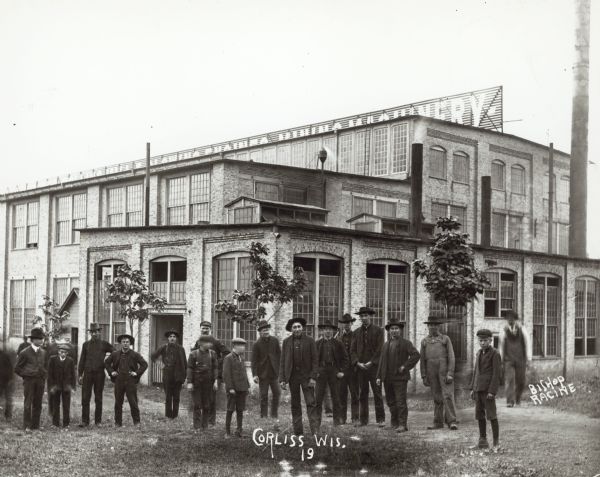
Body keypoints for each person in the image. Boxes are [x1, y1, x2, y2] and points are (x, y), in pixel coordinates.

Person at [376, 318, 420, 433]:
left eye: (396, 328)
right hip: (387, 378)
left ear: (400, 330)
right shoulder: (386, 345)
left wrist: (404, 366)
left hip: (400, 378)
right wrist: (379, 377)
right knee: (391, 401)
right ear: (389, 331)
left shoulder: (406, 343)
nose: (394, 331)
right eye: (392, 329)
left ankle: (402, 425)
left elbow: (416, 355)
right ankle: (394, 423)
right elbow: (381, 362)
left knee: (400, 401)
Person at [279, 317, 319, 436]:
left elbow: (315, 360)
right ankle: (298, 432)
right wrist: (282, 379)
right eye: (294, 327)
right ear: (291, 329)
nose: (297, 329)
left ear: (302, 328)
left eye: (299, 327)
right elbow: (282, 361)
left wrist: (313, 377)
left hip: (307, 377)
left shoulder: (310, 341)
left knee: (311, 402)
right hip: (293, 377)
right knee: (295, 404)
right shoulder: (286, 342)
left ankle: (315, 430)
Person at [420, 315, 458, 430]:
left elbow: (451, 357)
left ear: (439, 327)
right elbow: (422, 360)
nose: (433, 327)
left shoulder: (445, 339)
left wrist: (450, 373)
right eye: (431, 325)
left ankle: (452, 421)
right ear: (428, 326)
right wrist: (424, 375)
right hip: (431, 373)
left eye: (435, 325)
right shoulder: (424, 341)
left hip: (444, 372)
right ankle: (438, 422)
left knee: (447, 396)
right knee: (437, 397)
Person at [350, 306, 385, 427]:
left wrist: (372, 362)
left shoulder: (378, 331)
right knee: (363, 394)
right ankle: (363, 420)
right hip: (361, 368)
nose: (364, 318)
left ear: (370, 316)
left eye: (366, 315)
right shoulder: (356, 333)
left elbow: (380, 349)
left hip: (374, 368)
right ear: (360, 318)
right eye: (362, 316)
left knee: (377, 393)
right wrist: (357, 363)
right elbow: (352, 350)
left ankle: (380, 419)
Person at [191, 321, 230, 426]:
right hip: (200, 375)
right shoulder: (198, 341)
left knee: (211, 398)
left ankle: (211, 421)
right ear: (200, 329)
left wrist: (218, 361)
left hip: (213, 373)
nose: (205, 330)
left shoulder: (215, 341)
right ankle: (201, 421)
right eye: (203, 328)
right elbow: (194, 353)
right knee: (200, 399)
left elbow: (227, 352)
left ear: (210, 329)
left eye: (207, 328)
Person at [105, 334, 148, 427]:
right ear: (120, 343)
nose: (125, 344)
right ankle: (118, 423)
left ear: (130, 343)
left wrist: (136, 373)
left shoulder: (135, 354)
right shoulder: (115, 354)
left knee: (133, 402)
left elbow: (144, 364)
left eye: (127, 342)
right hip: (119, 380)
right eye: (123, 342)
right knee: (118, 402)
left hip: (130, 381)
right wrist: (111, 372)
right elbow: (107, 363)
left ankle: (137, 422)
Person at [470, 328, 502, 450]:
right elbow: (476, 372)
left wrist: (492, 391)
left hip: (488, 390)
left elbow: (496, 374)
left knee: (492, 415)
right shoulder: (479, 353)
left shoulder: (495, 354)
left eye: (485, 340)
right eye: (480, 340)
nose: (482, 343)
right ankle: (482, 441)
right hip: (478, 389)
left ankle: (496, 443)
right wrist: (473, 388)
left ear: (490, 340)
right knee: (479, 415)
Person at [78, 323, 113, 427]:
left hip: (99, 374)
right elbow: (82, 360)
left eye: (96, 331)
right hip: (88, 374)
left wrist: (107, 363)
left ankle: (98, 421)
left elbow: (115, 352)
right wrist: (80, 374)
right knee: (85, 398)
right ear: (90, 333)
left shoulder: (104, 344)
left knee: (98, 398)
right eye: (92, 332)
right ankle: (85, 421)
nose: (94, 334)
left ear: (99, 332)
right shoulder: (86, 345)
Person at [315, 320, 348, 427]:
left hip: (334, 370)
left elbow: (345, 359)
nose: (328, 331)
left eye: (330, 329)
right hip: (322, 371)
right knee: (318, 397)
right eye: (326, 329)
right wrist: (316, 372)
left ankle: (336, 422)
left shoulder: (338, 343)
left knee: (336, 397)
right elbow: (313, 360)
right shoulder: (317, 343)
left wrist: (341, 371)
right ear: (322, 331)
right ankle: (317, 421)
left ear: (333, 331)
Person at [14, 327, 47, 431]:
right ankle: (27, 425)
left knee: (38, 403)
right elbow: (17, 368)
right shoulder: (24, 352)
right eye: (39, 338)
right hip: (29, 381)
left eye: (42, 338)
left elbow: (45, 366)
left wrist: (44, 376)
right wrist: (26, 375)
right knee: (28, 403)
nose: (42, 340)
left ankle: (35, 425)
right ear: (33, 340)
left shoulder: (43, 352)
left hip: (40, 381)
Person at [151, 329, 187, 419]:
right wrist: (161, 365)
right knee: (168, 396)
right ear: (168, 338)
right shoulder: (164, 347)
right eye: (170, 336)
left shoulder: (181, 349)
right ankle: (168, 415)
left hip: (178, 375)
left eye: (174, 337)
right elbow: (153, 356)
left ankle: (175, 415)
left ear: (176, 339)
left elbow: (185, 363)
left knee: (176, 396)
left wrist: (184, 375)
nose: (172, 338)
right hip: (167, 374)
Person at [499, 310, 530, 407]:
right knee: (509, 379)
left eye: (512, 318)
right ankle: (510, 401)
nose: (510, 320)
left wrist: (528, 358)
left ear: (515, 319)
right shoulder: (503, 331)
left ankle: (517, 398)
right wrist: (500, 359)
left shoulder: (522, 329)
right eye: (508, 318)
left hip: (520, 359)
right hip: (508, 360)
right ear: (507, 319)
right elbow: (501, 345)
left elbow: (527, 343)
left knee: (521, 380)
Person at [251, 320, 281, 420]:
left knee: (277, 393)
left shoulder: (275, 341)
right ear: (260, 332)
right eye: (264, 330)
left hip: (274, 373)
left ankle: (274, 414)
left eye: (267, 330)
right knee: (264, 395)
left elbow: (279, 356)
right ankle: (264, 415)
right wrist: (255, 375)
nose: (266, 332)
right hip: (262, 374)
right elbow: (254, 361)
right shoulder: (257, 344)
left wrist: (280, 370)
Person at [187, 335, 218, 430]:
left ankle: (205, 426)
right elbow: (189, 368)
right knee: (197, 404)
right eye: (209, 342)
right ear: (201, 343)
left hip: (208, 384)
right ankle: (196, 426)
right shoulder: (193, 354)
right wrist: (189, 382)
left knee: (207, 404)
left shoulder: (212, 354)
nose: (211, 344)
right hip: (197, 383)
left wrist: (216, 381)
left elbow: (216, 368)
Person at [223, 337, 250, 437]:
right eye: (241, 346)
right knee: (230, 409)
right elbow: (226, 374)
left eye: (244, 346)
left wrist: (247, 386)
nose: (243, 348)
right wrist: (230, 388)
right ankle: (227, 432)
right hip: (233, 390)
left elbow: (244, 373)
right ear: (235, 346)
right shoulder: (228, 358)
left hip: (242, 389)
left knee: (240, 410)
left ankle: (239, 430)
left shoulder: (241, 358)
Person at [336, 313, 358, 424]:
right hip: (343, 371)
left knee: (354, 394)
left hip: (353, 371)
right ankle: (342, 418)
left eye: (348, 323)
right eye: (344, 323)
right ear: (342, 325)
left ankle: (355, 418)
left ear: (351, 323)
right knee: (342, 395)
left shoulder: (356, 336)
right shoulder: (338, 338)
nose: (346, 325)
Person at [47, 343, 76, 428]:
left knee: (66, 405)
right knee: (56, 404)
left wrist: (72, 387)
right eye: (61, 352)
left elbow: (73, 375)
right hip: (56, 386)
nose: (63, 354)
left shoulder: (70, 361)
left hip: (66, 387)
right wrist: (51, 387)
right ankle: (55, 423)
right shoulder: (52, 360)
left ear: (67, 353)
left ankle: (66, 424)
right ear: (58, 352)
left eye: (65, 352)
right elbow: (50, 375)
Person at [0, 345, 14, 422]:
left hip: (6, 381)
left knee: (8, 399)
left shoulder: (5, 355)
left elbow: (10, 368)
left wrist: (10, 379)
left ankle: (8, 416)